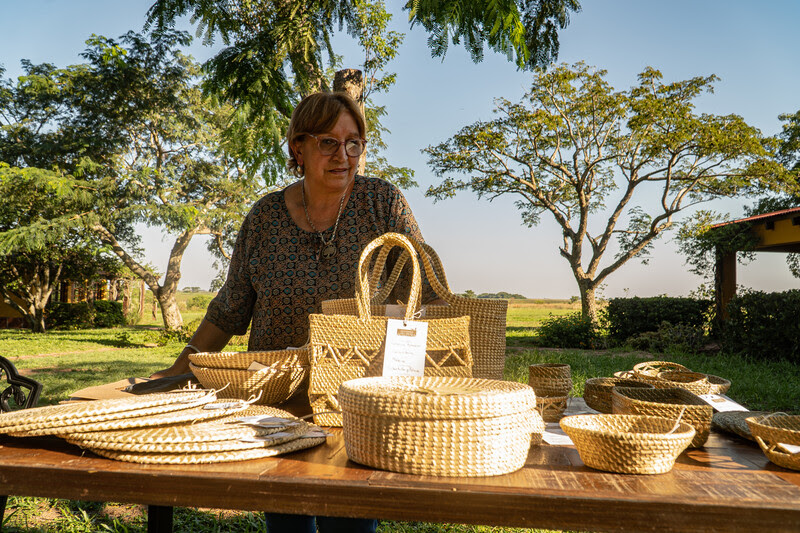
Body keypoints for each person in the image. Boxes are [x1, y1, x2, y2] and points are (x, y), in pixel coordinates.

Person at [151, 91, 435, 533]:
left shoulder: (383, 203)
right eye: (328, 142)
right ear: (298, 148)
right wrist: (175, 371)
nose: (343, 155)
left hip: (354, 406)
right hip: (275, 408)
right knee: (287, 523)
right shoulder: (265, 216)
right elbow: (230, 308)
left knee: (351, 525)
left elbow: (426, 292)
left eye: (354, 142)